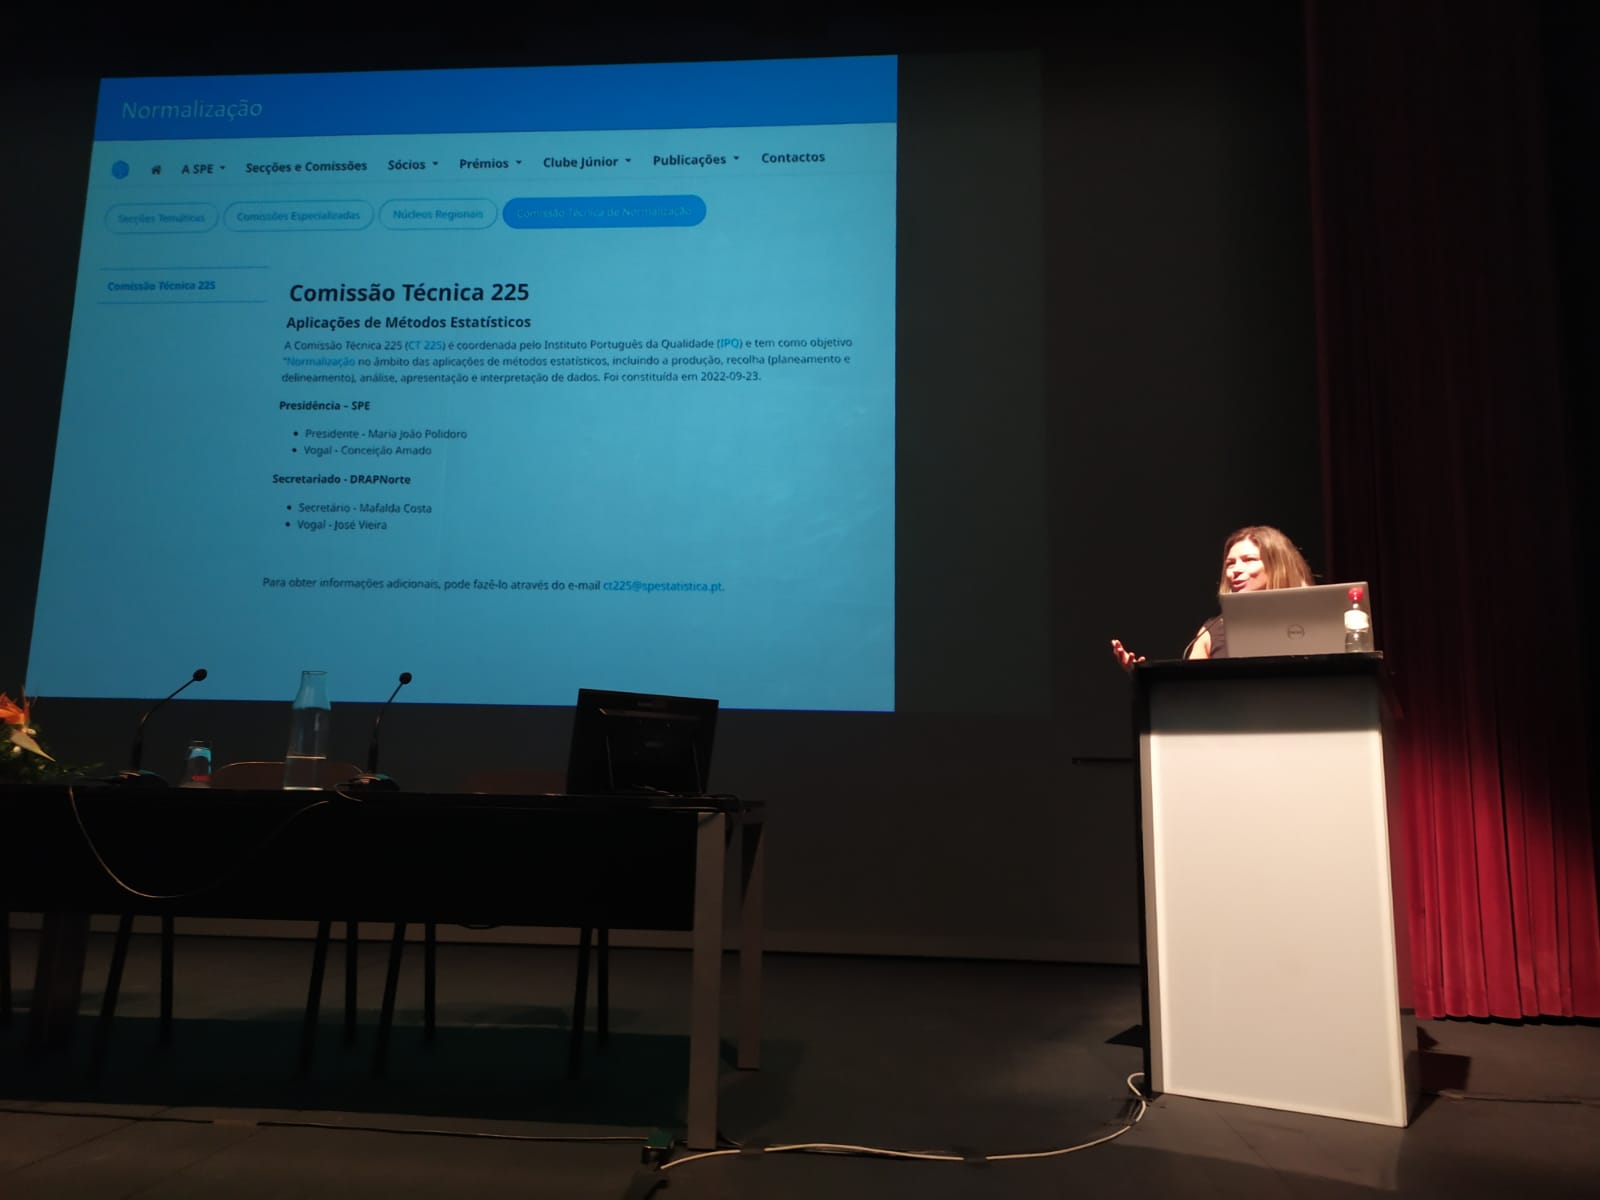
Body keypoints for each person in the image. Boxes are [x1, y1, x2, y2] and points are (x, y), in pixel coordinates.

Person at [1110, 524, 1315, 668]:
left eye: (1249, 560)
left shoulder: (1314, 620)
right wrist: (1142, 674)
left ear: (1278, 566)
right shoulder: (1213, 630)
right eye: (1230, 563)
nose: (1235, 570)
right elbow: (1188, 687)